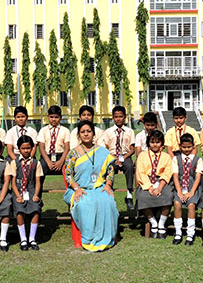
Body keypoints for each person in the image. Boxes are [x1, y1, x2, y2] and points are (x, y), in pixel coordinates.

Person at [63, 120, 118, 252]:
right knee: (84, 203)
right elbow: (68, 174)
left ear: (93, 134)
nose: (86, 134)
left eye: (89, 131)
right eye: (83, 132)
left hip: (99, 187)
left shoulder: (102, 151)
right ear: (78, 135)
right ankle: (88, 238)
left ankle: (108, 236)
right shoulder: (73, 153)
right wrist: (77, 189)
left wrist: (108, 185)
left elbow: (110, 170)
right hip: (79, 189)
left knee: (108, 201)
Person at [135, 130, 174, 239]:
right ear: (148, 142)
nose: (155, 144)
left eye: (158, 142)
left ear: (162, 143)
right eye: (152, 142)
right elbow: (140, 172)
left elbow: (167, 173)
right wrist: (150, 187)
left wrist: (160, 188)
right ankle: (153, 222)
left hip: (161, 181)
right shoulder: (142, 155)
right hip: (146, 181)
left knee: (169, 195)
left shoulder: (166, 156)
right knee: (142, 196)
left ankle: (161, 223)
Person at [10, 135, 43, 251]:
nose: (26, 151)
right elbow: (13, 182)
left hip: (31, 189)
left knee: (36, 209)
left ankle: (32, 238)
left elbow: (37, 182)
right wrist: (18, 196)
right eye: (23, 148)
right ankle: (23, 238)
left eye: (28, 148)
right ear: (19, 149)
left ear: (32, 148)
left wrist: (36, 195)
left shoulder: (36, 163)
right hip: (18, 190)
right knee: (19, 210)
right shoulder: (14, 163)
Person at [99, 105, 136, 209]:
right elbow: (105, 148)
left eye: (120, 116)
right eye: (116, 117)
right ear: (113, 118)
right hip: (112, 156)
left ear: (125, 117)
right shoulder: (108, 132)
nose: (118, 119)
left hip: (125, 155)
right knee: (109, 168)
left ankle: (129, 195)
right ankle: (109, 194)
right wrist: (115, 158)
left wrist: (122, 158)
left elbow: (132, 149)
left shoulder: (130, 131)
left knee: (129, 167)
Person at [171, 133, 202, 245]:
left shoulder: (198, 159)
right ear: (180, 146)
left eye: (189, 147)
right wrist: (179, 191)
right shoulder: (176, 159)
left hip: (192, 187)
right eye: (184, 147)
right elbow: (175, 175)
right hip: (179, 186)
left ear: (193, 146)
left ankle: (190, 233)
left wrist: (192, 192)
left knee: (191, 205)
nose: (186, 149)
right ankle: (178, 232)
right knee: (177, 204)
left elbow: (198, 176)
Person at [37, 105, 70, 189]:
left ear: (60, 117)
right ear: (48, 117)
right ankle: (37, 193)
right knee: (40, 169)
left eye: (56, 117)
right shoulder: (43, 130)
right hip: (46, 157)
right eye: (51, 117)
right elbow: (41, 147)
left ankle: (71, 191)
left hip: (61, 156)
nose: (54, 119)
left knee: (70, 169)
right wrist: (48, 162)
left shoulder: (65, 130)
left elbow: (67, 147)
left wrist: (61, 161)